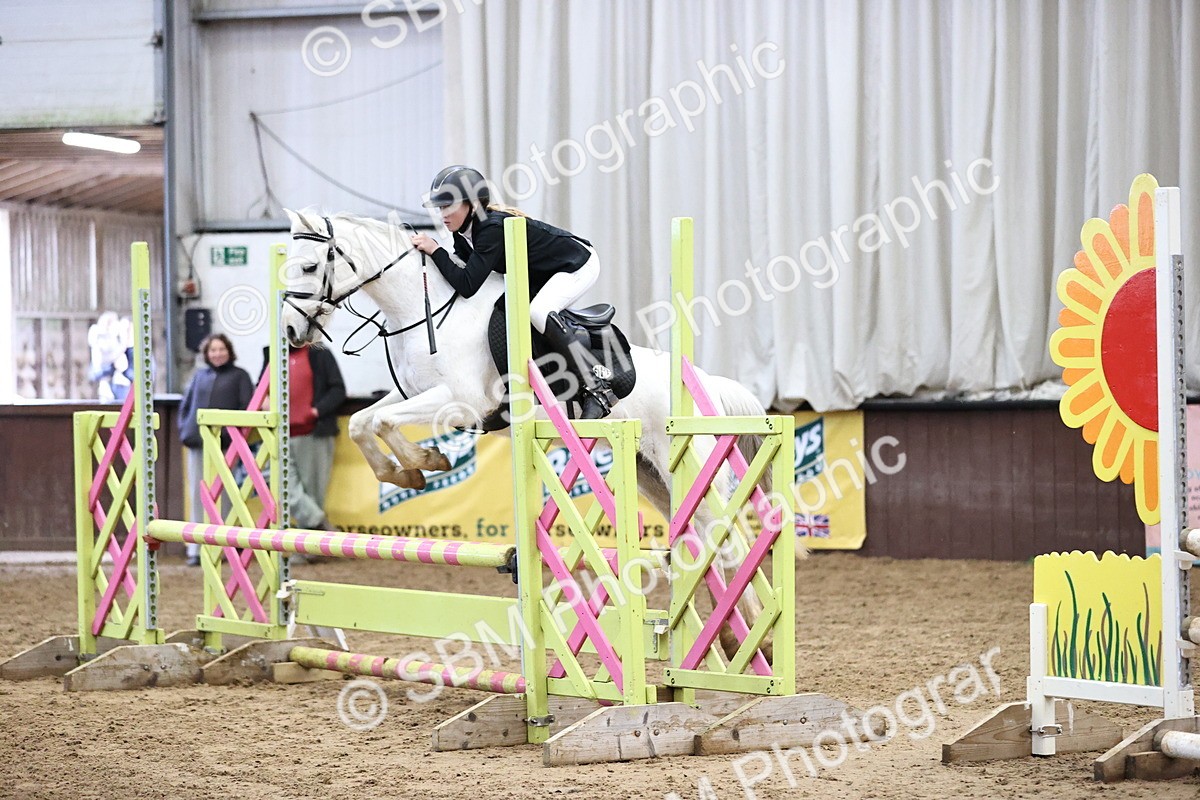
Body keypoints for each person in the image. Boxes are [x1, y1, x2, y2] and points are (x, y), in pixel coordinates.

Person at [411, 165, 619, 419]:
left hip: (576, 264)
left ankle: (597, 388)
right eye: (440, 208)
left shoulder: (490, 229)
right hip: (541, 272)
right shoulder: (464, 232)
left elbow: (467, 285)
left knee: (539, 311)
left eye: (448, 206)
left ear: (473, 205)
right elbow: (462, 272)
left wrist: (435, 250)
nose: (442, 214)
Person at [177, 333, 254, 566]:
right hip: (198, 443)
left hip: (227, 446)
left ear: (229, 351)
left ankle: (228, 545)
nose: (217, 354)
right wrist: (185, 429)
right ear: (206, 354)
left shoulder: (240, 376)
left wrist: (236, 438)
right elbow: (186, 406)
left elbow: (246, 407)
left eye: (221, 349)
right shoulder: (199, 376)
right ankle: (196, 549)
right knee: (198, 494)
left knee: (229, 495)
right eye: (213, 350)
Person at [284, 343, 345, 535]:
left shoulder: (320, 354)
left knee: (312, 492)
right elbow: (263, 386)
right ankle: (320, 524)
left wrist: (316, 411)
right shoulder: (274, 354)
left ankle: (307, 549)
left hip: (313, 433)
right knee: (278, 482)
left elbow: (337, 389)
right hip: (281, 434)